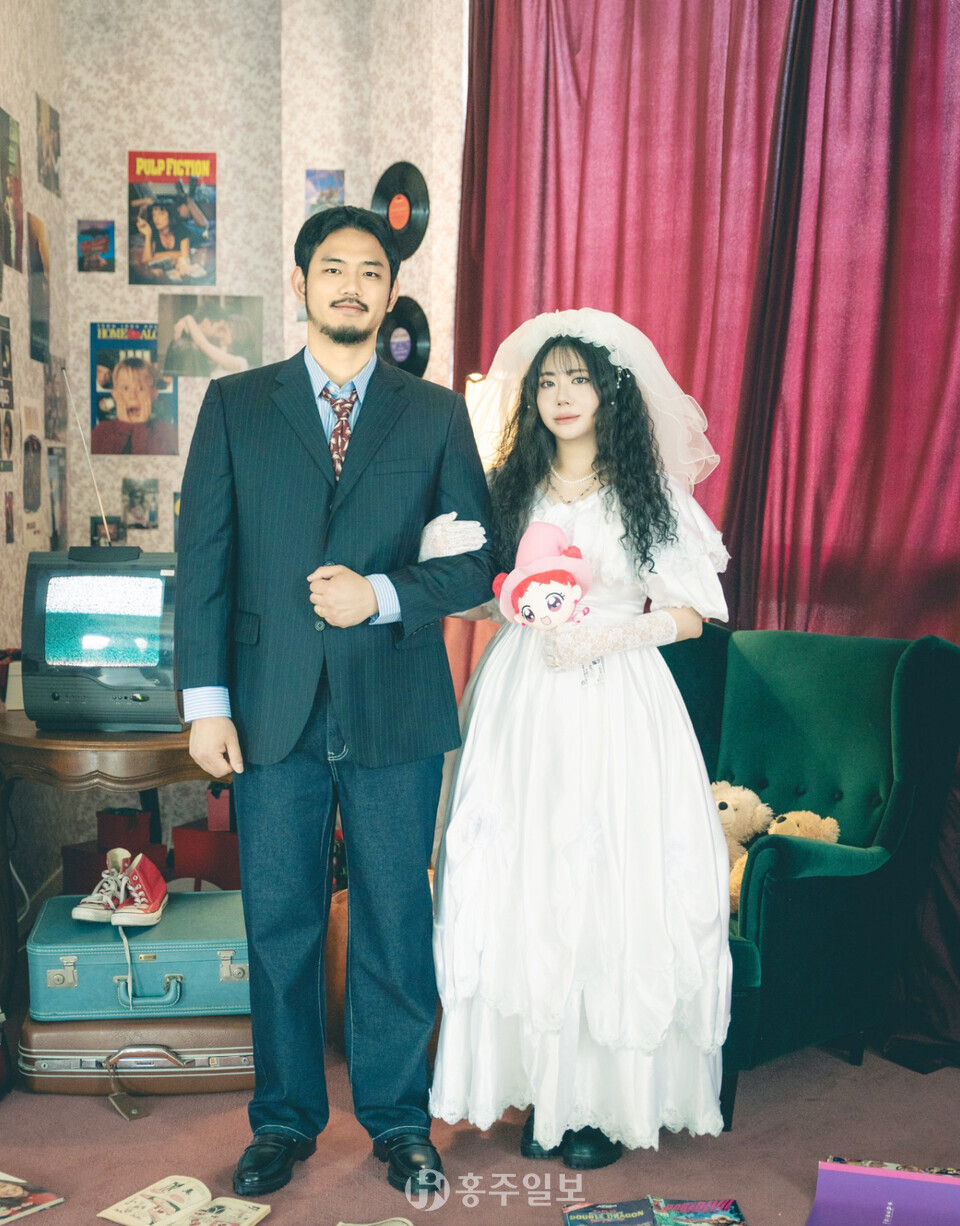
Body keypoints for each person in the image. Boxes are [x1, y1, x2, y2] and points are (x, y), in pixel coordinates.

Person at [174, 205, 494, 1200]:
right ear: (303, 282)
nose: (352, 285)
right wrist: (206, 702)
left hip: (395, 702)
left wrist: (382, 593)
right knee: (280, 922)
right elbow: (204, 563)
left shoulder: (434, 413)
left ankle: (399, 1121)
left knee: (398, 916)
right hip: (269, 707)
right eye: (334, 269)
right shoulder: (235, 404)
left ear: (390, 293)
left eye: (370, 271)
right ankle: (283, 1119)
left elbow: (479, 560)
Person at [430, 309, 733, 1170]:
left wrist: (612, 635)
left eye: (579, 379)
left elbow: (695, 612)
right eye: (548, 382)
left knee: (606, 882)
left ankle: (598, 1103)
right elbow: (490, 597)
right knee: (522, 879)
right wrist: (454, 568)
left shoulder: (646, 491)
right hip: (521, 701)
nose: (562, 396)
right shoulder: (510, 485)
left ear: (610, 392)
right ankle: (540, 1088)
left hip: (618, 699)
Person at [90, 357, 176, 455]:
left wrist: (141, 427)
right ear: (115, 394)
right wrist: (122, 427)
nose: (133, 396)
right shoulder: (101, 431)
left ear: (154, 394)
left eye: (140, 388)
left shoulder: (167, 432)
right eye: (126, 388)